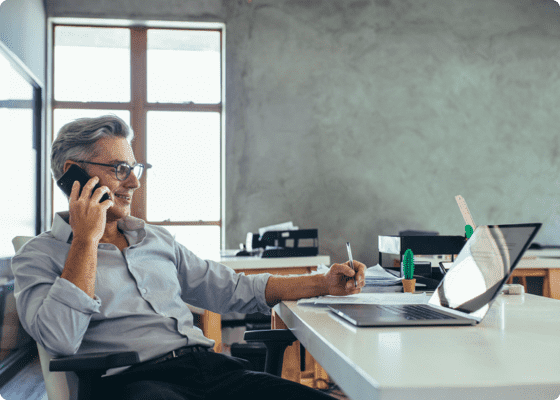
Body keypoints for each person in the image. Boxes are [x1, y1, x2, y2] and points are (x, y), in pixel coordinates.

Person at [12, 115, 366, 400]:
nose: (134, 182)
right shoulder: (38, 256)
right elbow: (60, 338)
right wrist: (86, 241)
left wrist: (323, 282)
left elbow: (235, 289)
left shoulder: (155, 240)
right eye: (119, 168)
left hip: (211, 370)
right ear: (73, 172)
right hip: (136, 385)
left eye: (136, 168)